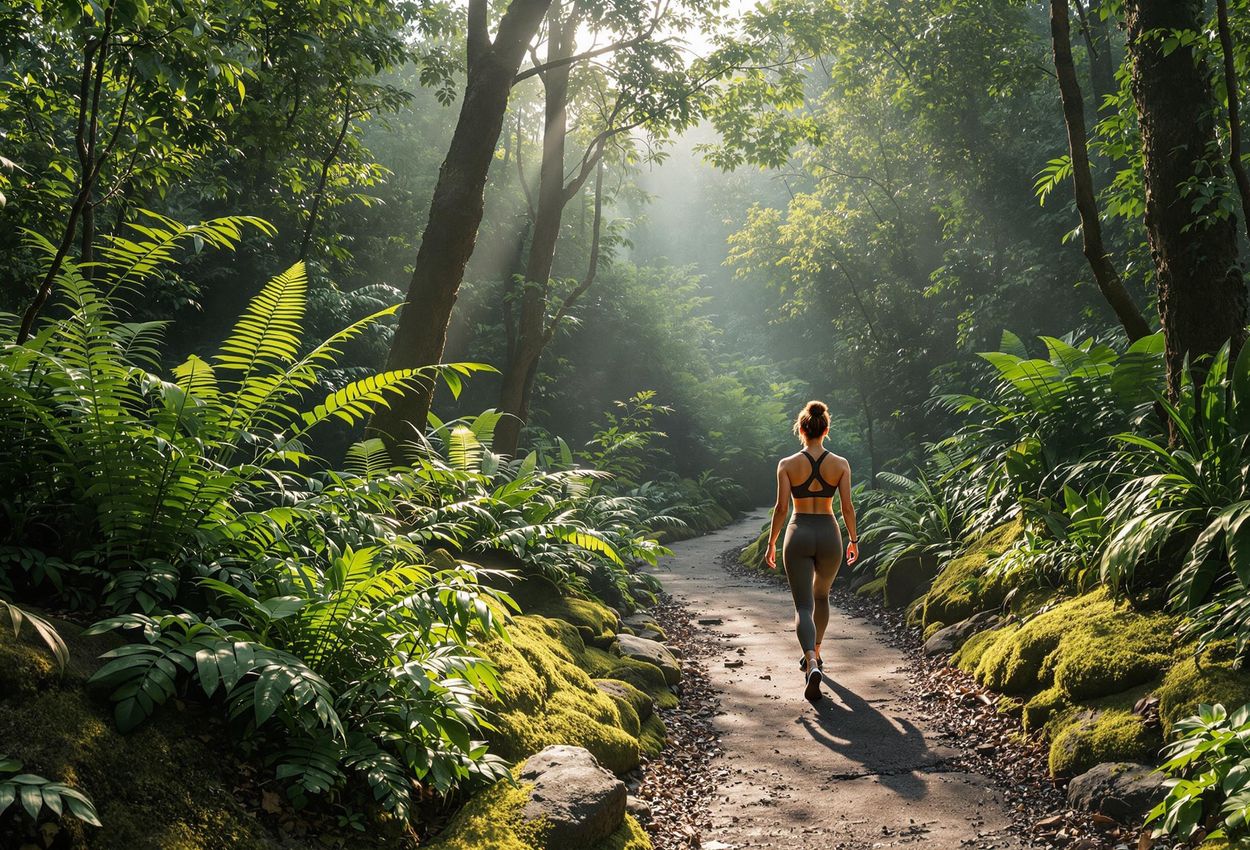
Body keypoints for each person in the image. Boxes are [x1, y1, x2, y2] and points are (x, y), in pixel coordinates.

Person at [763, 400, 859, 702]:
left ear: (801, 429)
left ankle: (811, 662)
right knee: (822, 597)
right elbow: (846, 507)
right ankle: (817, 651)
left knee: (803, 605)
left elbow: (781, 508)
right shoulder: (840, 464)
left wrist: (771, 543)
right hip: (830, 534)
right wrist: (854, 540)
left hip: (799, 532)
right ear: (825, 429)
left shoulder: (787, 465)